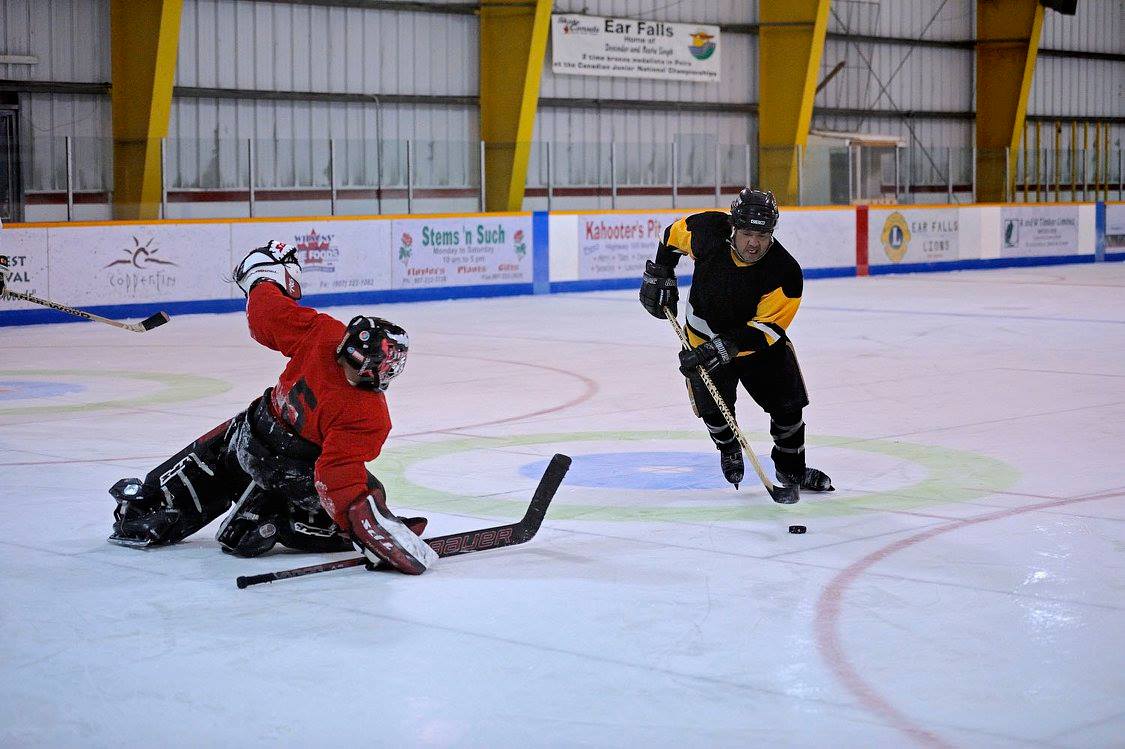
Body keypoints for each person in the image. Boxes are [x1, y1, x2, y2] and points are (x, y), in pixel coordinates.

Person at [107, 241, 437, 575]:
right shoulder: (369, 414)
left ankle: (153, 507)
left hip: (249, 433)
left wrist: (262, 278)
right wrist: (363, 523)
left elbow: (269, 316)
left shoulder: (325, 334)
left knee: (203, 472)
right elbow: (335, 476)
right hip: (284, 466)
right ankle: (270, 519)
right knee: (369, 492)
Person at [639, 188, 833, 494]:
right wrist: (662, 272)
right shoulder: (706, 231)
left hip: (759, 350)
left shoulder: (785, 272)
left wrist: (724, 347)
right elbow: (670, 237)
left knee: (788, 410)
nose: (754, 243)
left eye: (763, 234)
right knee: (714, 409)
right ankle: (729, 448)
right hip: (702, 339)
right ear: (733, 227)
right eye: (746, 233)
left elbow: (767, 329)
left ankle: (791, 470)